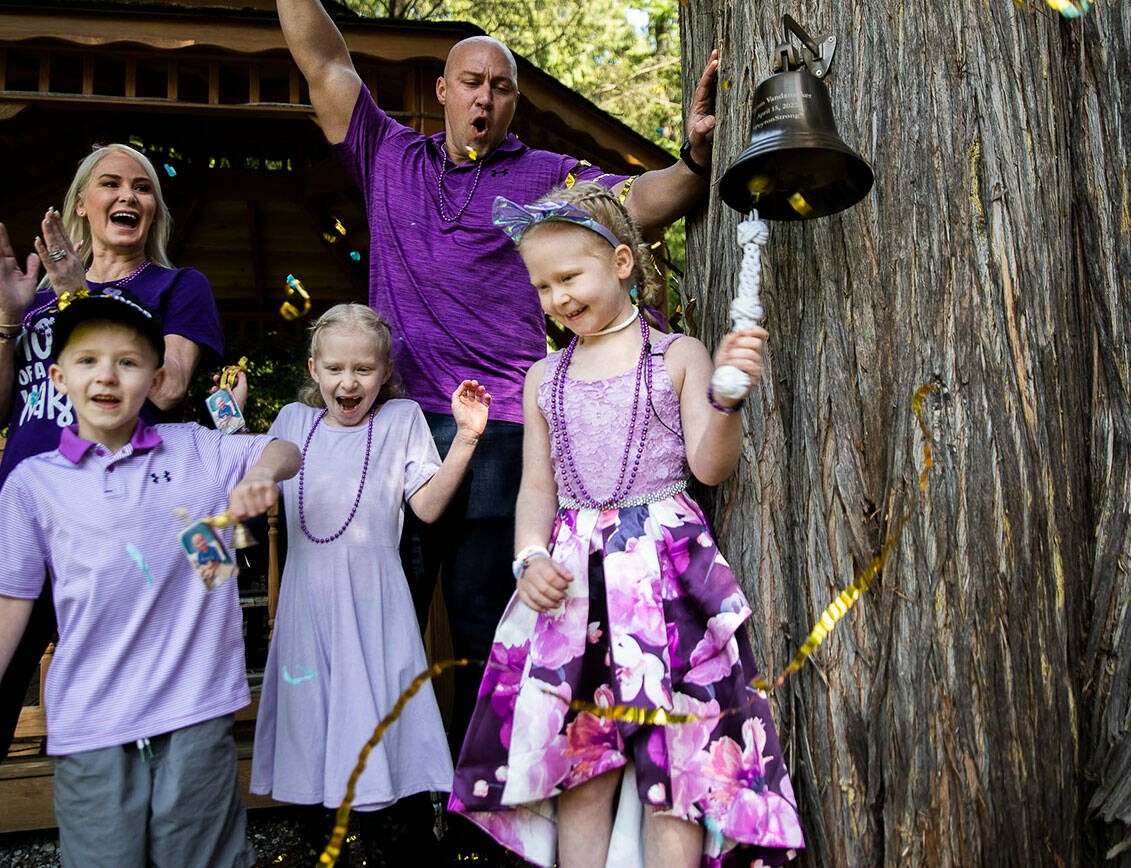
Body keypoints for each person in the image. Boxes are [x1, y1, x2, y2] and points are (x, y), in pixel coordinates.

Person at [274, 0, 726, 760]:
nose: (486, 97)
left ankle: (481, 801)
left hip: (505, 434)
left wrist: (694, 159)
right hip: (402, 429)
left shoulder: (544, 178)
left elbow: (639, 204)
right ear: (444, 91)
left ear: (513, 102)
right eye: (472, 82)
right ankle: (390, 804)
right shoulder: (389, 156)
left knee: (489, 619)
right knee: (390, 615)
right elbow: (325, 62)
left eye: (503, 87)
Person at [447, 182, 805, 867]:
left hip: (666, 582)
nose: (555, 299)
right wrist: (527, 556)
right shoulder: (543, 377)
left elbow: (710, 466)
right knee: (582, 760)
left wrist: (726, 401)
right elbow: (537, 487)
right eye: (541, 286)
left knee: (680, 765)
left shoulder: (677, 355)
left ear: (619, 262)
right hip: (575, 587)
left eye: (568, 277)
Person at [0, 143, 226, 863]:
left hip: (118, 534)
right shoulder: (32, 293)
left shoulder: (178, 286)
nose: (129, 196)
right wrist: (8, 317)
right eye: (111, 184)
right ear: (81, 203)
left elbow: (170, 387)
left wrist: (78, 299)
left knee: (129, 720)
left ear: (154, 208)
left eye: (144, 187)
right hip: (25, 528)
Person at [0, 289, 301, 867]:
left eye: (128, 362)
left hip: (196, 713)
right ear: (58, 378)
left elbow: (287, 450)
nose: (107, 376)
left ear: (156, 378)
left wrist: (259, 469)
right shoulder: (34, 483)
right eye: (88, 361)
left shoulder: (197, 450)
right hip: (90, 722)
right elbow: (9, 601)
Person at [249, 303, 490, 863]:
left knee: (383, 708)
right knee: (315, 709)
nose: (348, 381)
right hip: (309, 600)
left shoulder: (400, 419)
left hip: (376, 598)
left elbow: (427, 508)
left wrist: (467, 438)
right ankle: (324, 837)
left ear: (384, 374)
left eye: (363, 369)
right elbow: (251, 478)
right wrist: (234, 423)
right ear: (314, 370)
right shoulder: (290, 421)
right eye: (335, 369)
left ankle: (402, 840)